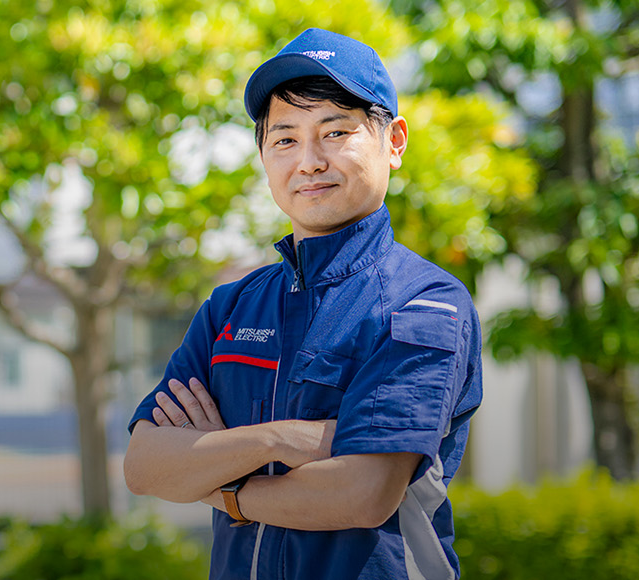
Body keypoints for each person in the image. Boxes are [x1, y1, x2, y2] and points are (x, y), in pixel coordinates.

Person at [123, 28, 483, 580]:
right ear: (264, 156)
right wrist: (282, 439)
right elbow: (146, 467)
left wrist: (223, 485)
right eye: (285, 139)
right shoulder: (231, 308)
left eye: (336, 132)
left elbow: (362, 493)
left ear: (394, 142)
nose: (309, 161)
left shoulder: (424, 304)